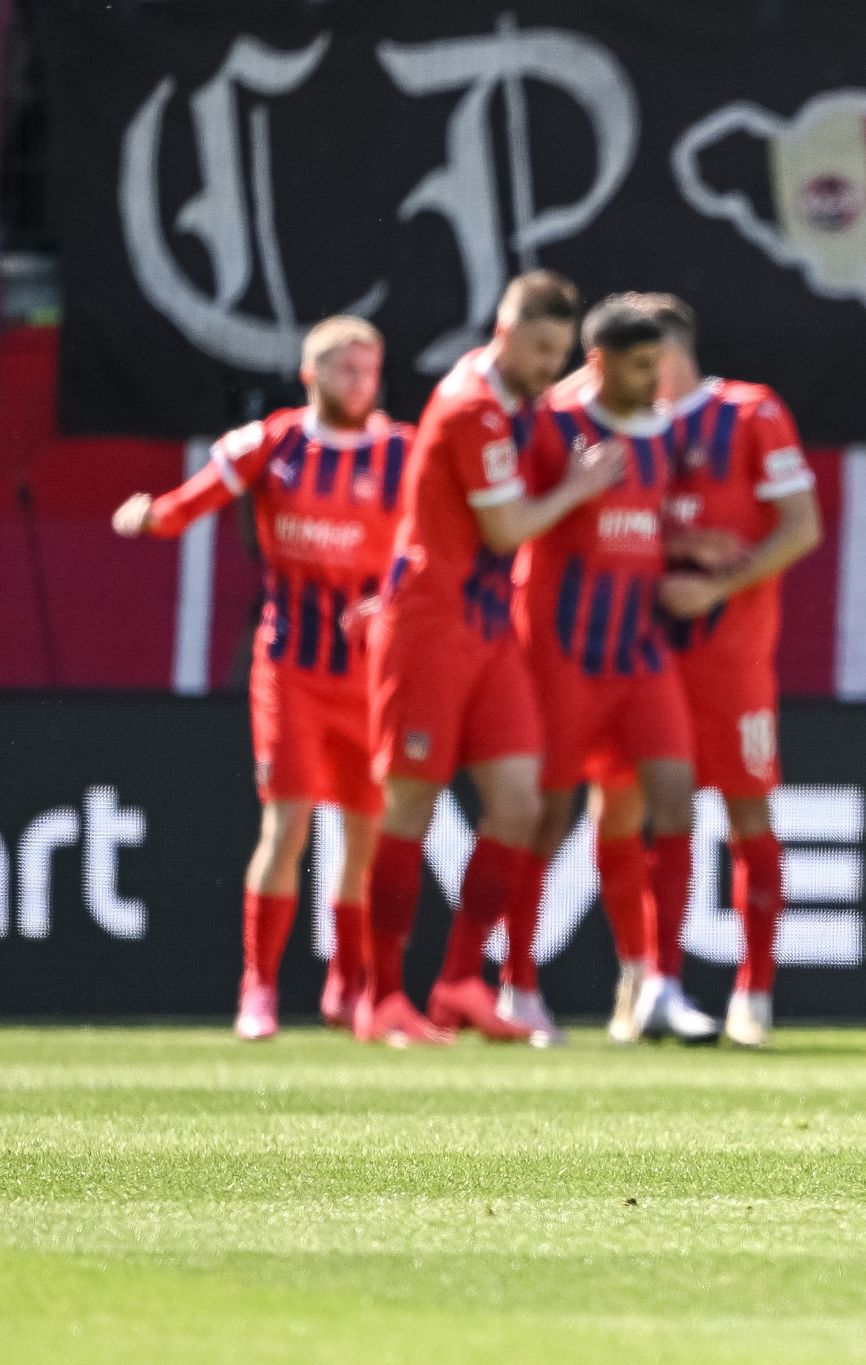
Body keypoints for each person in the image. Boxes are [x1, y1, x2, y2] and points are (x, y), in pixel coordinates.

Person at [112, 317, 408, 1041]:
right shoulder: (271, 442)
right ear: (310, 374)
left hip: (372, 673)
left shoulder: (402, 452)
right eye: (344, 368)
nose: (359, 381)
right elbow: (200, 496)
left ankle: (350, 983)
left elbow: (431, 541)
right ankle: (261, 988)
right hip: (293, 666)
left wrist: (393, 598)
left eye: (369, 368)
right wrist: (152, 515)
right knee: (288, 825)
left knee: (368, 835)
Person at [360, 270, 625, 1047]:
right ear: (503, 333)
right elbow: (509, 529)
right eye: (540, 349)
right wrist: (579, 485)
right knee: (408, 804)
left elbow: (553, 441)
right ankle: (381, 998)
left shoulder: (523, 401)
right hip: (430, 624)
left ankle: (458, 981)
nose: (550, 367)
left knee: (522, 804)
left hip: (486, 627)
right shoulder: (473, 407)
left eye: (559, 353)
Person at [590, 294, 821, 1048]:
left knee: (747, 814)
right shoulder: (617, 426)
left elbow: (802, 525)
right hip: (637, 653)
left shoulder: (751, 412)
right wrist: (683, 554)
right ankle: (646, 975)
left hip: (730, 659)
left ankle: (753, 990)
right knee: (621, 810)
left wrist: (717, 585)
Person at [490, 296, 704, 1047]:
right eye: (643, 366)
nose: (658, 378)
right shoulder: (552, 426)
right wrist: (573, 489)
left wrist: (692, 545)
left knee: (673, 800)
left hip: (639, 652)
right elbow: (505, 519)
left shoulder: (666, 431)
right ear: (601, 363)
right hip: (561, 654)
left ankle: (662, 982)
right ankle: (516, 983)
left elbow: (646, 519)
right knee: (546, 818)